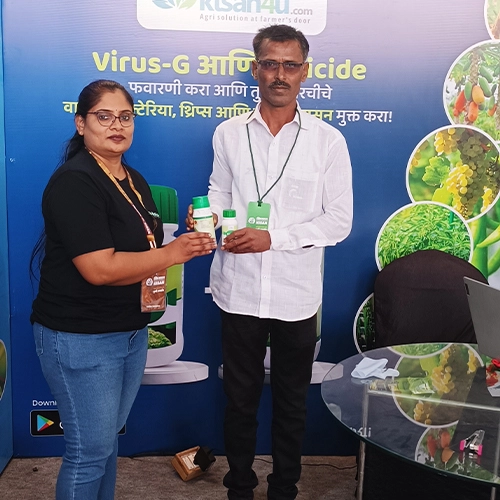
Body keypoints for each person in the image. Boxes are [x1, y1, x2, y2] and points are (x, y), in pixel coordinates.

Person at [186, 25, 353, 500]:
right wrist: (206, 216)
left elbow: (338, 222)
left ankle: (284, 488)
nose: (280, 74)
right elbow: (220, 192)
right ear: (255, 68)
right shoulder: (228, 133)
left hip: (296, 295)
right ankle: (239, 485)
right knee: (238, 399)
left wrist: (273, 239)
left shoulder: (328, 141)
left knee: (291, 401)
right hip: (237, 287)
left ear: (305, 71)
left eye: (290, 65)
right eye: (270, 63)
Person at [30, 79, 216, 500]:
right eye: (104, 116)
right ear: (81, 123)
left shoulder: (133, 179)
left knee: (105, 446)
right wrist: (173, 253)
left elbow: (143, 245)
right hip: (80, 337)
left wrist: (182, 236)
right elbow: (99, 269)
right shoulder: (75, 182)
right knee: (88, 453)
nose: (117, 125)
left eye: (125, 117)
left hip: (129, 331)